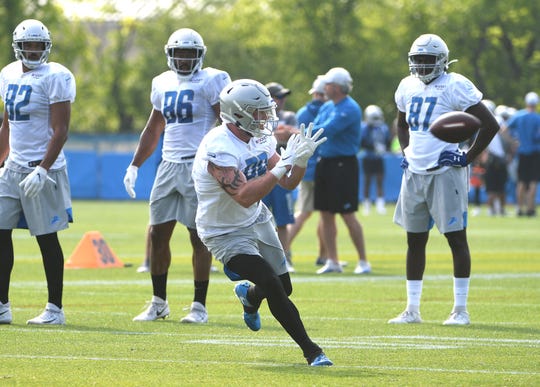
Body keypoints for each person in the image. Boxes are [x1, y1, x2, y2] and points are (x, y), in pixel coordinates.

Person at [192, 79, 332, 366]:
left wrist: (301, 160)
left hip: (256, 218)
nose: (266, 117)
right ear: (238, 114)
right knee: (271, 282)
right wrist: (282, 165)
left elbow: (289, 182)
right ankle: (312, 351)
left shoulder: (260, 137)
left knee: (282, 286)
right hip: (224, 231)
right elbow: (242, 195)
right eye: (258, 112)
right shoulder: (219, 147)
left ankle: (249, 296)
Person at [389, 33, 499, 325]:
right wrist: (406, 150)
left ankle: (460, 310)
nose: (422, 66)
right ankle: (412, 309)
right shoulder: (406, 86)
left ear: (441, 61)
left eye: (428, 60)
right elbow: (401, 124)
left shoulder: (455, 84)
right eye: (418, 60)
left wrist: (466, 157)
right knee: (414, 241)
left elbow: (490, 124)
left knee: (456, 239)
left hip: (445, 171)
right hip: (414, 171)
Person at [123, 28, 231, 323]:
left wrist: (220, 159)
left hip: (198, 166)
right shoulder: (161, 81)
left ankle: (199, 305)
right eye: (179, 53)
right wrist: (135, 164)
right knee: (157, 234)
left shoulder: (212, 80)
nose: (184, 59)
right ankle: (159, 303)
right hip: (168, 165)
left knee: (198, 237)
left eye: (189, 53)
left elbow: (226, 122)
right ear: (170, 54)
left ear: (200, 55)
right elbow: (154, 128)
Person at [0, 19, 76, 325]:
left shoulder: (56, 76)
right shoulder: (7, 74)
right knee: (0, 233)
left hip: (44, 169)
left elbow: (61, 130)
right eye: (28, 45)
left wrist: (44, 169)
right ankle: (2, 304)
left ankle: (55, 308)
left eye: (38, 45)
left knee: (46, 238)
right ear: (18, 47)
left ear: (46, 47)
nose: (33, 51)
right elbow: (7, 125)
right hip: (13, 168)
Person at [312, 67, 371, 275]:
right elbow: (317, 126)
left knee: (347, 214)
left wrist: (295, 131)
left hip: (344, 165)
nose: (324, 88)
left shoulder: (350, 108)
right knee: (326, 214)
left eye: (327, 84)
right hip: (325, 162)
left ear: (335, 87)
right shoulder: (328, 107)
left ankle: (363, 260)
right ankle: (333, 260)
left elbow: (325, 130)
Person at [288, 76, 328, 266]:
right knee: (311, 213)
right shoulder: (329, 109)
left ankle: (324, 255)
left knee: (316, 213)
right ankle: (283, 249)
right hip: (321, 167)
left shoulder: (304, 111)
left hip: (306, 167)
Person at [262, 82, 298, 272]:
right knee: (256, 218)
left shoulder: (289, 116)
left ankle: (286, 258)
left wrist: (278, 134)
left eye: (283, 97)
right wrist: (279, 133)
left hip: (281, 171)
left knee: (283, 219)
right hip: (261, 172)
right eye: (278, 96)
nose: (282, 101)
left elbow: (294, 136)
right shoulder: (260, 114)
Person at [504, 91, 540, 217]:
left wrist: (512, 142)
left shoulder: (519, 116)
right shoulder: (537, 118)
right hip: (535, 153)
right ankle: (531, 209)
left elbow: (504, 129)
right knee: (533, 182)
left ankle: (519, 208)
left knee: (521, 181)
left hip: (522, 153)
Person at [482, 99, 512, 216]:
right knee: (500, 187)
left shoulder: (481, 122)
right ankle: (501, 210)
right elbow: (506, 137)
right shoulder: (498, 119)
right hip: (499, 158)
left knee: (491, 187)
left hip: (489, 158)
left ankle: (492, 210)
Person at [360, 104, 391, 215]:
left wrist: (384, 148)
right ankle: (366, 205)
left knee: (379, 181)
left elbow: (388, 141)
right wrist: (374, 147)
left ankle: (380, 205)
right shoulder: (364, 127)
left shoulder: (383, 127)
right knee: (367, 181)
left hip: (379, 158)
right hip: (368, 157)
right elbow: (362, 142)